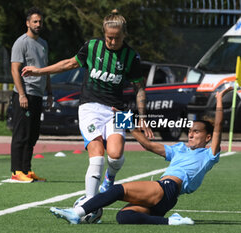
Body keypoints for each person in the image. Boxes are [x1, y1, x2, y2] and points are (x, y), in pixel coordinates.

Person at [22, 10, 153, 207]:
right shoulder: (92, 46)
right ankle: (89, 205)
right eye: (109, 37)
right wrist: (39, 71)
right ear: (103, 33)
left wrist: (142, 116)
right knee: (98, 155)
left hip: (119, 109)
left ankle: (109, 179)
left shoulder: (131, 56)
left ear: (124, 34)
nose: (112, 41)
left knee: (116, 156)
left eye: (116, 38)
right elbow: (69, 63)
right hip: (90, 106)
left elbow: (139, 88)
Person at [49, 86, 233, 225]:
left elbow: (218, 127)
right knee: (124, 216)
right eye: (190, 131)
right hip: (165, 199)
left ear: (208, 137)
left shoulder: (209, 154)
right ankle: (172, 221)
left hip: (165, 188)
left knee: (116, 190)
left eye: (197, 132)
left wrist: (218, 99)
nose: (191, 134)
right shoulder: (179, 149)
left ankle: (77, 213)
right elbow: (147, 144)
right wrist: (125, 119)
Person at [10, 7, 52, 183]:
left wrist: (49, 93)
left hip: (38, 95)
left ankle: (26, 170)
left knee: (33, 134)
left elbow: (45, 71)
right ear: (28, 23)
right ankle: (16, 171)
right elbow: (14, 69)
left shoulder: (43, 44)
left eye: (40, 22)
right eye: (35, 21)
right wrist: (21, 95)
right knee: (22, 133)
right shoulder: (21, 42)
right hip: (24, 94)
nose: (38, 24)